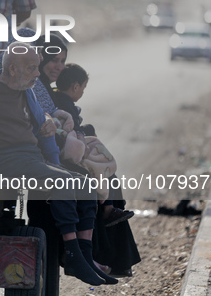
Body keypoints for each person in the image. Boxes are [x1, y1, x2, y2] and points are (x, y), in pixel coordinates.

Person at [0, 43, 118, 286]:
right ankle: (72, 254)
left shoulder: (26, 90)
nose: (38, 74)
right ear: (13, 69)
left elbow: (44, 131)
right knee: (64, 182)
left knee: (84, 184)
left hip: (30, 159)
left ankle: (84, 256)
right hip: (0, 162)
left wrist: (55, 165)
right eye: (32, 68)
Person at [31, 39, 141, 277]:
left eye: (62, 60)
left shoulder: (47, 89)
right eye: (53, 60)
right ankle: (89, 255)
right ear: (40, 58)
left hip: (57, 149)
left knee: (108, 179)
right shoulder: (33, 85)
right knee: (92, 179)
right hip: (46, 154)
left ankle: (103, 256)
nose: (57, 66)